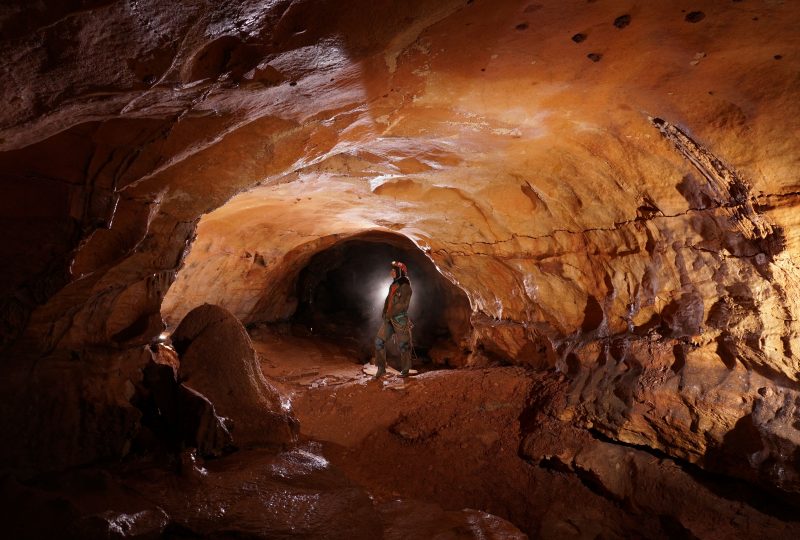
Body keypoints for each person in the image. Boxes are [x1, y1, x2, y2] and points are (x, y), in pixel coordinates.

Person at [374, 260, 413, 378]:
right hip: (389, 318)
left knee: (404, 346)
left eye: (393, 270)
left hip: (400, 320)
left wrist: (389, 313)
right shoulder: (393, 285)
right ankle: (381, 368)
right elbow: (389, 301)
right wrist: (385, 313)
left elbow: (403, 305)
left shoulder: (405, 287)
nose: (391, 272)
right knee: (379, 341)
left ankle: (405, 371)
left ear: (399, 272)